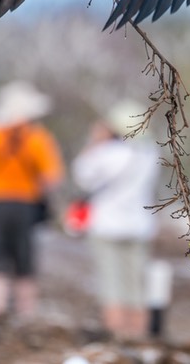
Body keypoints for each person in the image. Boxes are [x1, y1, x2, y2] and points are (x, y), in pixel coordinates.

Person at [0, 81, 64, 318]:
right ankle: (25, 315)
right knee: (24, 261)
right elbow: (52, 177)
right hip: (26, 206)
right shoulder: (38, 137)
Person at [72, 100, 161, 339]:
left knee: (112, 286)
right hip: (140, 226)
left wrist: (95, 140)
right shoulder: (150, 152)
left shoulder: (107, 153)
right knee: (136, 287)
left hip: (107, 227)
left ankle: (118, 340)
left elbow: (81, 174)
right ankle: (140, 340)